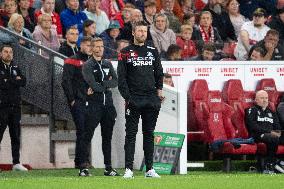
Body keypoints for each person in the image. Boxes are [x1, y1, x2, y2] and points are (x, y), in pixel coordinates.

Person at [117, 21, 164, 178]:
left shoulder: (152, 50)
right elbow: (121, 78)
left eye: (145, 31)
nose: (142, 33)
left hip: (151, 99)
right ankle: (129, 169)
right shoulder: (125, 52)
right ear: (133, 33)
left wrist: (160, 90)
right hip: (134, 99)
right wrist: (128, 97)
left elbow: (159, 72)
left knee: (149, 134)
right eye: (140, 31)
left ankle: (149, 169)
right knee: (131, 134)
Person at [80, 37, 119, 177]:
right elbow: (92, 84)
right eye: (96, 46)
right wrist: (103, 84)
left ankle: (108, 168)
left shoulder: (108, 63)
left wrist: (101, 84)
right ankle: (83, 168)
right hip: (93, 106)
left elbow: (115, 82)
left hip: (108, 106)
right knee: (87, 135)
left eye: (101, 46)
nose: (99, 49)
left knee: (107, 137)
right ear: (91, 49)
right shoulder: (87, 65)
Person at [61, 36, 92, 174]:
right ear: (81, 45)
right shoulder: (72, 60)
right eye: (87, 44)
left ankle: (80, 160)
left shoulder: (92, 61)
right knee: (82, 130)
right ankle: (82, 161)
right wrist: (71, 99)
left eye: (91, 45)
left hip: (90, 101)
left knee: (86, 130)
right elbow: (65, 81)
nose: (89, 47)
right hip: (78, 101)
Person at [0, 44, 27, 171]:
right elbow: (2, 83)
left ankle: (16, 163)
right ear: (1, 54)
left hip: (15, 107)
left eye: (10, 52)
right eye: (5, 52)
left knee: (15, 136)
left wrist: (9, 80)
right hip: (2, 107)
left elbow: (24, 81)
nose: (8, 54)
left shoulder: (16, 67)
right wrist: (14, 80)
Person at [245, 90, 284, 174]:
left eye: (266, 98)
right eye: (262, 98)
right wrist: (270, 132)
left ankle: (280, 162)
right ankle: (269, 164)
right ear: (256, 100)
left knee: (276, 137)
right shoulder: (251, 110)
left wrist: (278, 132)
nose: (265, 100)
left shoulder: (272, 112)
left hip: (271, 134)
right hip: (257, 135)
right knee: (273, 137)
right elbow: (252, 126)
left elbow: (277, 126)